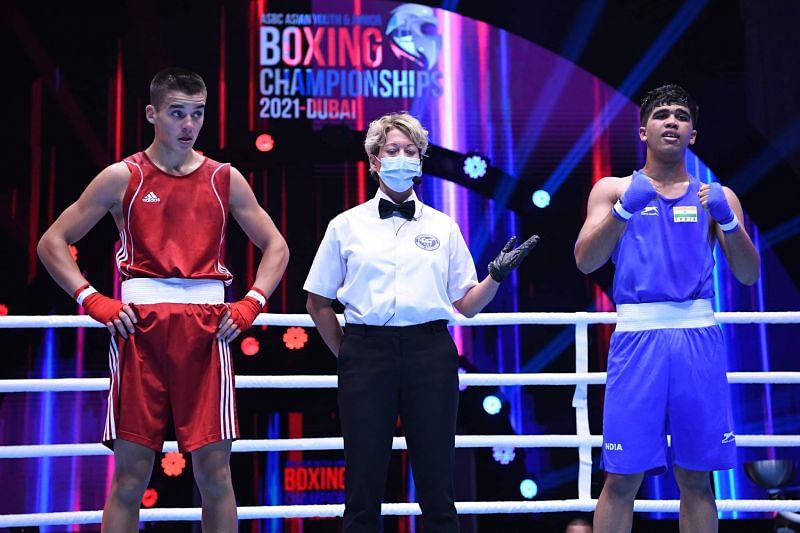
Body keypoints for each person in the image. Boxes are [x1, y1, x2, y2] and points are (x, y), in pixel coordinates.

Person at [37, 67, 289, 532]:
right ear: (153, 114)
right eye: (178, 113)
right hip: (139, 330)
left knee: (215, 476)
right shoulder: (122, 176)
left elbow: (277, 246)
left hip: (208, 331)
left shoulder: (223, 178)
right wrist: (92, 299)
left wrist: (252, 301)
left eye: (197, 114)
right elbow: (52, 241)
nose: (188, 125)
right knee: (130, 477)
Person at [304, 111, 538, 532]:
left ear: (421, 161)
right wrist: (350, 352)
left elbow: (465, 304)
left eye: (411, 151)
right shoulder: (346, 226)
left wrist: (495, 277)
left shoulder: (444, 227)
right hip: (365, 350)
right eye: (392, 150)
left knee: (436, 480)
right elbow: (317, 300)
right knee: (363, 481)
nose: (402, 157)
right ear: (374, 160)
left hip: (430, 351)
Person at [574, 84, 760, 532]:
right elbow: (585, 260)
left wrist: (729, 220)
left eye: (680, 115)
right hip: (638, 341)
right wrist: (622, 211)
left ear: (693, 133)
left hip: (698, 339)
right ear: (643, 131)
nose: (671, 121)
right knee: (621, 476)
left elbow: (749, 274)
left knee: (697, 477)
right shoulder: (613, 189)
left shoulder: (717, 197)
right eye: (661, 115)